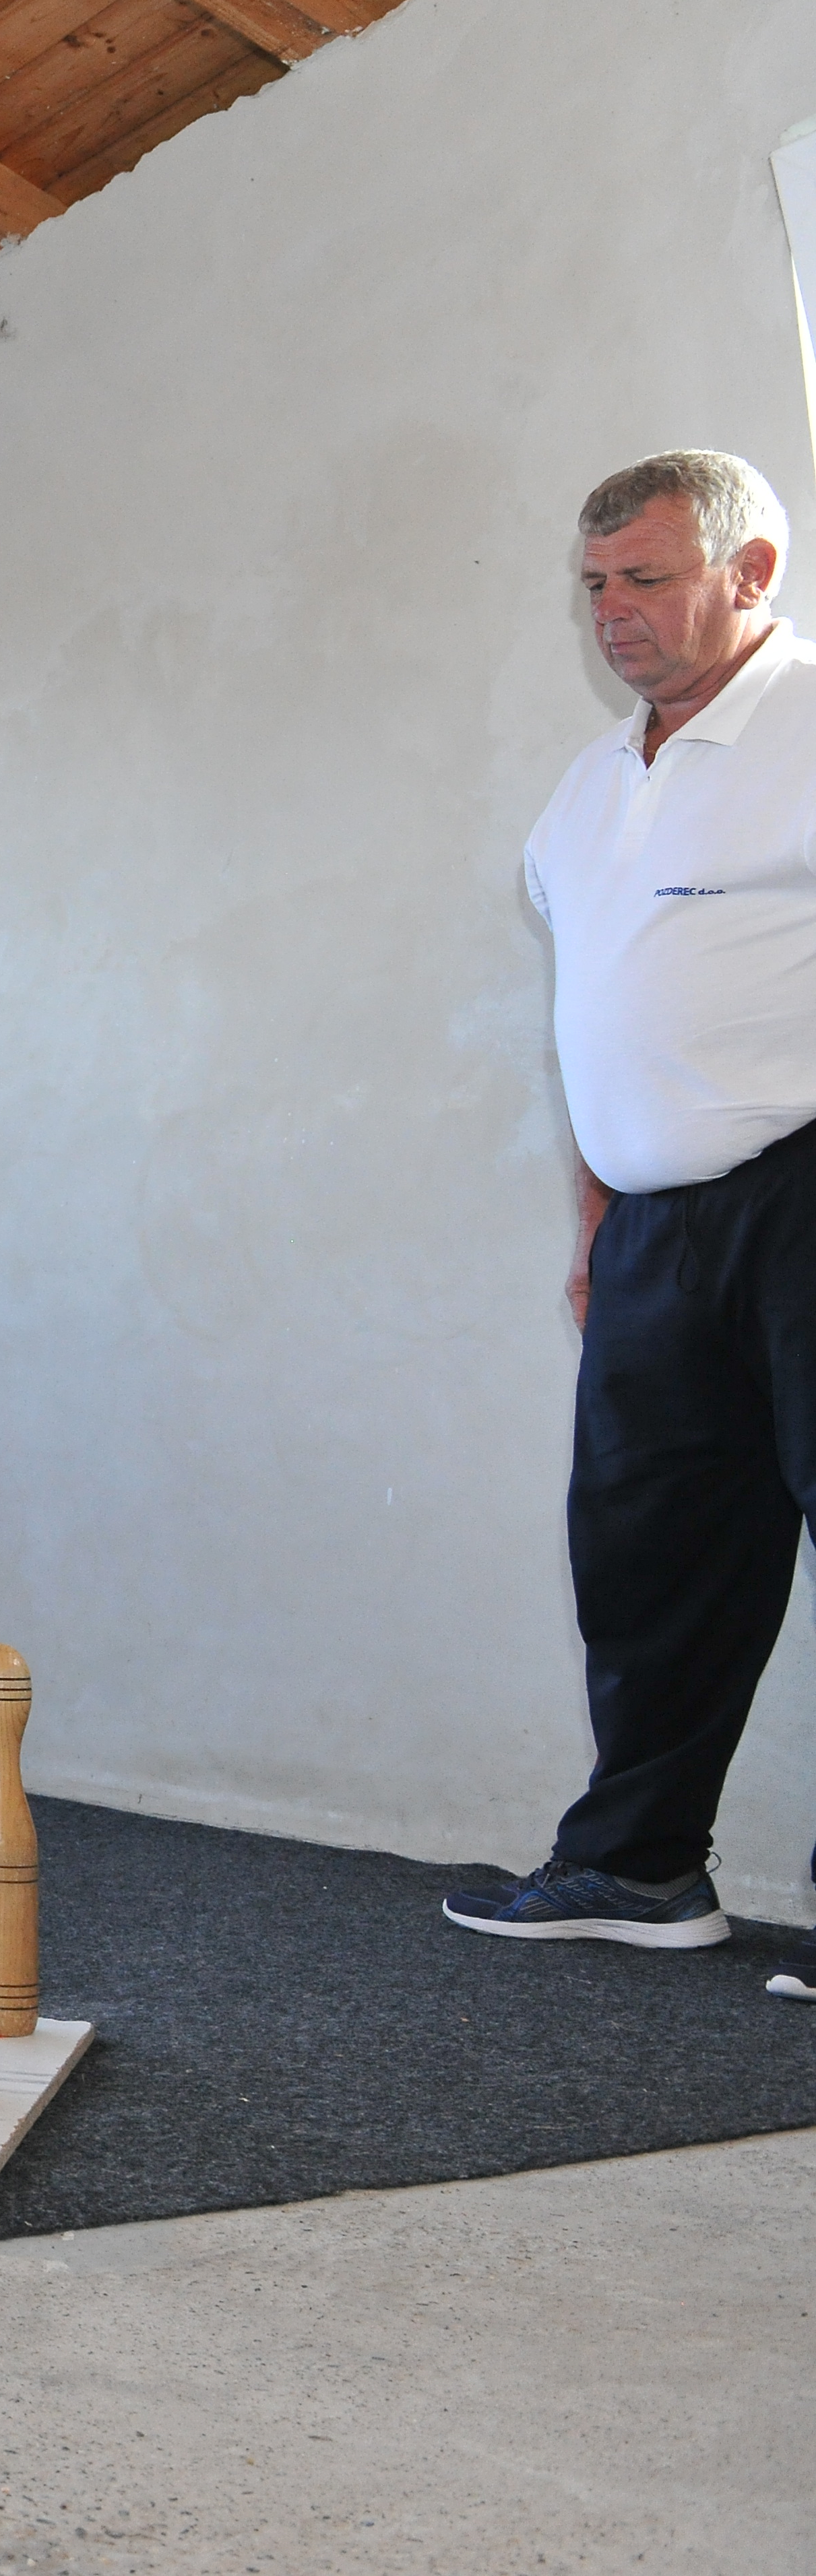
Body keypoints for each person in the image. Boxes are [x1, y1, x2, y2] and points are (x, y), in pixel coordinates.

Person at [450, 449, 816, 2003]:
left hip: (805, 1196)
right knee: (649, 1548)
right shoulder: (591, 786)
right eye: (595, 583)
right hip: (655, 1233)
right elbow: (592, 1015)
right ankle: (641, 1865)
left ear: (752, 576)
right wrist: (596, 1215)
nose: (613, 611)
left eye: (646, 578)